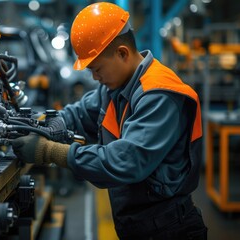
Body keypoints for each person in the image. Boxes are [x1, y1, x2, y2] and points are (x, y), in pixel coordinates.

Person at [12, 2, 208, 240]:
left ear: (122, 53)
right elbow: (79, 113)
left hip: (169, 229)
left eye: (97, 68)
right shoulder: (115, 87)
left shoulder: (159, 94)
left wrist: (51, 152)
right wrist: (41, 124)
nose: (95, 77)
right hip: (136, 225)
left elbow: (125, 161)